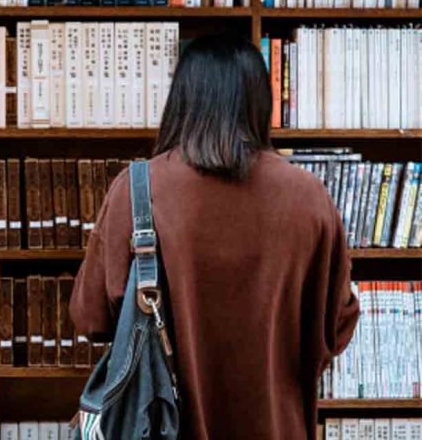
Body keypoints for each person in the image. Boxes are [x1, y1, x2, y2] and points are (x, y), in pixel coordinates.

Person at [69, 35, 359, 439]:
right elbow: (338, 327)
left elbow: (91, 317)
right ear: (260, 101)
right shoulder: (309, 197)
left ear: (182, 100)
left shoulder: (138, 190)